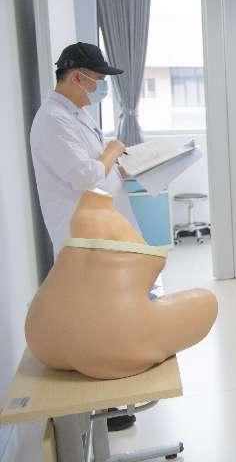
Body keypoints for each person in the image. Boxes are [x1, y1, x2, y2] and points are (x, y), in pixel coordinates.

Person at [29, 42, 142, 431]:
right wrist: (112, 149)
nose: (100, 88)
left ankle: (114, 402)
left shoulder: (74, 114)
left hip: (102, 225)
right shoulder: (52, 121)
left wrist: (117, 163)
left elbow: (96, 166)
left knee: (110, 310)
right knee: (99, 317)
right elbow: (84, 174)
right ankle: (106, 407)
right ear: (77, 77)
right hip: (81, 233)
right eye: (97, 80)